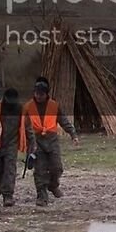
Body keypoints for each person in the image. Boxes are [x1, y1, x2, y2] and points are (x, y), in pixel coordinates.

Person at [23, 76, 79, 207]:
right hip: (36, 141)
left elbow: (63, 121)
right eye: (36, 93)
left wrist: (73, 134)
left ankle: (53, 185)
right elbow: (22, 125)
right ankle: (42, 195)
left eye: (41, 94)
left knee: (57, 167)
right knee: (40, 170)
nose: (38, 96)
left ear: (46, 94)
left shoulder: (54, 106)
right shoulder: (27, 107)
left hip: (52, 140)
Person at [0, 87, 25, 207]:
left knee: (9, 170)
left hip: (12, 143)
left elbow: (26, 126)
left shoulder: (21, 109)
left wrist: (31, 143)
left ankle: (8, 195)